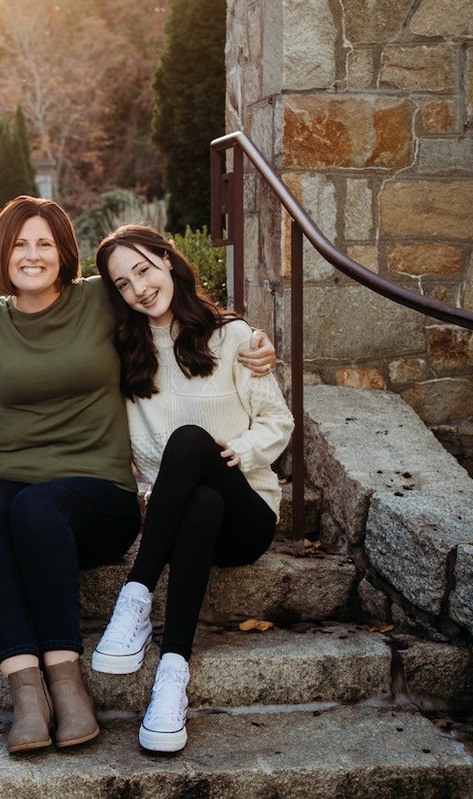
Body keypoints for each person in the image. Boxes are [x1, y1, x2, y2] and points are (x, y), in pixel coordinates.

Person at [0, 198, 275, 755]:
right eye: (19, 244)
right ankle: (29, 694)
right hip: (57, 475)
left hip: (115, 486)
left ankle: (89, 653)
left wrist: (257, 345)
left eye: (44, 243)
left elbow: (270, 411)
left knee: (50, 503)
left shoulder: (100, 300)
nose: (32, 255)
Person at [91, 224, 293, 754]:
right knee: (198, 498)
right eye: (122, 284)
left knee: (190, 444)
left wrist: (237, 453)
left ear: (167, 261)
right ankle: (171, 677)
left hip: (247, 515)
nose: (138, 288)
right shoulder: (128, 354)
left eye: (143, 269)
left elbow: (278, 423)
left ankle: (135, 596)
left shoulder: (233, 337)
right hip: (188, 516)